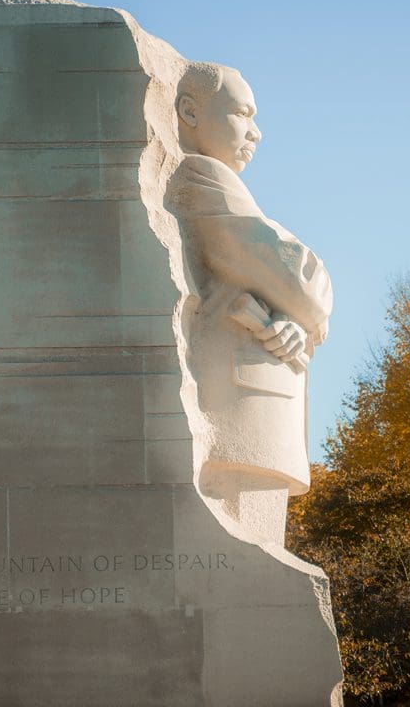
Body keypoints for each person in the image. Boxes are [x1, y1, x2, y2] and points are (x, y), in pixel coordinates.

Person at [166, 61, 332, 546]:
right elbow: (297, 279)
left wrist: (295, 323)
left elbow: (289, 294)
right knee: (235, 564)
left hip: (258, 402)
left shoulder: (221, 183)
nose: (255, 133)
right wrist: (307, 310)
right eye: (241, 113)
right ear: (190, 112)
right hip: (239, 408)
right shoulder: (201, 175)